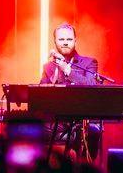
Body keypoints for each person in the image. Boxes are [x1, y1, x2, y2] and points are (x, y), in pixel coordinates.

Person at [40, 22, 100, 158]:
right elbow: (40, 95)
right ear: (55, 41)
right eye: (61, 39)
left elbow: (91, 84)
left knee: (92, 131)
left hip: (81, 120)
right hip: (56, 120)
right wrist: (55, 74)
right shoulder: (48, 67)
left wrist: (67, 69)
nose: (65, 43)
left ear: (75, 40)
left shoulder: (89, 63)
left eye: (69, 39)